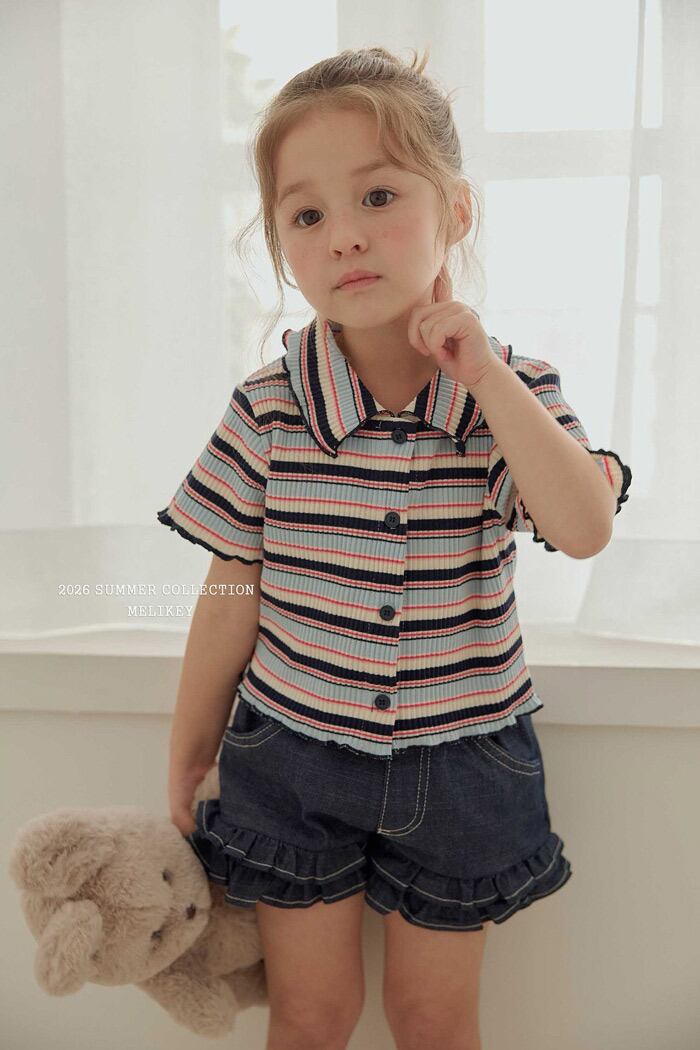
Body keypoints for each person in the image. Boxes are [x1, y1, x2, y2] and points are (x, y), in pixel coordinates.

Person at [158, 45, 632, 1050]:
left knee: (432, 1019)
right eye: (306, 215)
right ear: (282, 245)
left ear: (454, 212)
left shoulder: (509, 392)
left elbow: (583, 527)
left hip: (462, 765)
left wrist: (486, 379)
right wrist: (189, 750)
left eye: (378, 196)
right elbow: (231, 592)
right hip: (291, 756)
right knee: (312, 1014)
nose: (344, 236)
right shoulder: (270, 407)